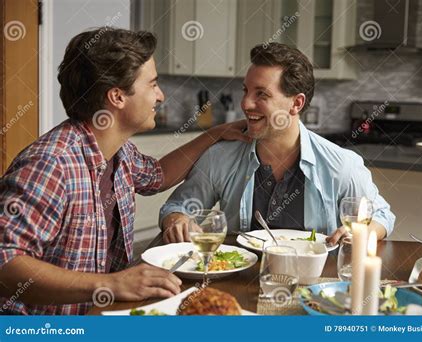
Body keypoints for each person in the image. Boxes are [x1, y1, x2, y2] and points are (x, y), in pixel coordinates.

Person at [0, 27, 250, 315]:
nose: (160, 95)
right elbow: (6, 263)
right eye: (152, 84)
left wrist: (215, 133)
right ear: (117, 97)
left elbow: (158, 175)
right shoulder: (52, 164)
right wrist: (110, 284)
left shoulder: (120, 153)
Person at [160, 42, 395, 244]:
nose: (246, 103)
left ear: (296, 104)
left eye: (261, 94)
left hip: (316, 285)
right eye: (246, 91)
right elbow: (176, 208)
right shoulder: (220, 157)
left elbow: (382, 215)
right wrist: (178, 220)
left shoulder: (341, 165)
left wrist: (364, 232)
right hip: (241, 282)